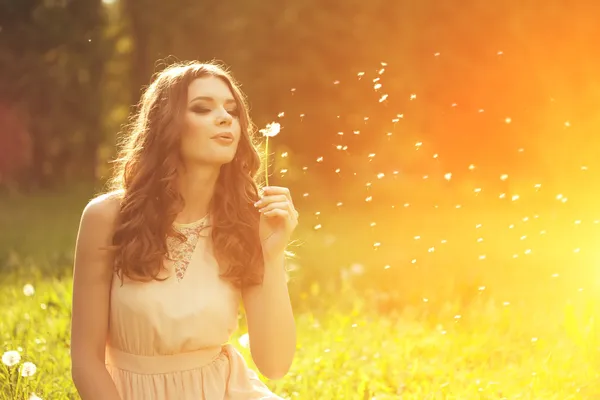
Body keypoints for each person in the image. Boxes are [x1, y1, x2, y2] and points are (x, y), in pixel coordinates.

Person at [70, 61, 298, 399]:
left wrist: (273, 254)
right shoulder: (108, 217)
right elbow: (85, 361)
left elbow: (275, 365)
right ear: (167, 125)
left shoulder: (245, 222)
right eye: (202, 108)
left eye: (232, 110)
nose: (224, 118)